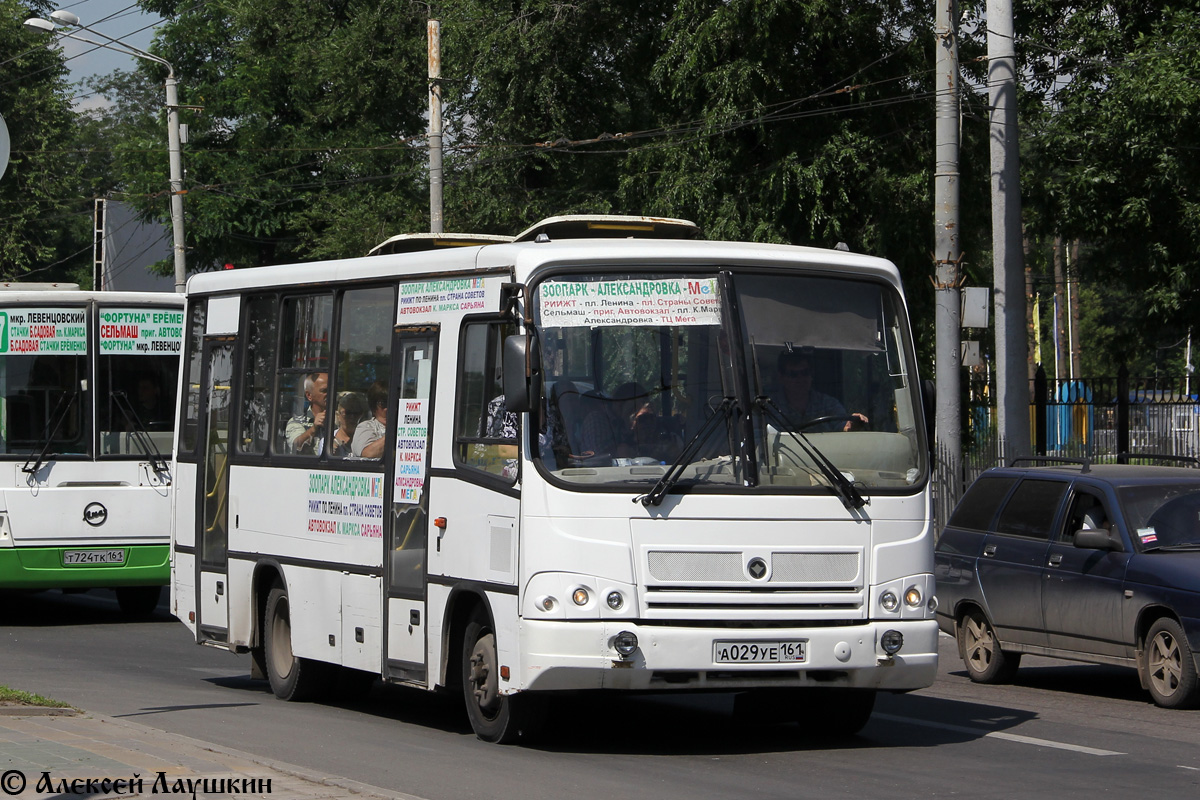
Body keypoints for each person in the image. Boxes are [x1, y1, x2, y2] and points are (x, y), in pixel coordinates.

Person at [769, 350, 867, 432]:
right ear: (781, 378)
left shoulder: (828, 404)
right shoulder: (768, 409)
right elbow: (760, 442)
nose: (801, 378)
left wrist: (851, 424)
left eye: (805, 373)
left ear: (811, 375)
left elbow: (842, 426)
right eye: (793, 374)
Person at [285, 372, 329, 454]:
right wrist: (314, 429)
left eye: (331, 390)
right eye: (324, 391)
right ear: (309, 395)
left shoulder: (341, 419)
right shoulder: (297, 422)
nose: (329, 394)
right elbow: (296, 446)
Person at [351, 381, 388, 459]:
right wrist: (397, 434)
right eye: (384, 403)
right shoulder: (366, 427)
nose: (389, 407)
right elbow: (367, 454)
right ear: (374, 406)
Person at [330, 391, 368, 458]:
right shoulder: (327, 441)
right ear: (338, 415)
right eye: (347, 412)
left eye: (356, 413)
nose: (352, 417)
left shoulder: (368, 439)